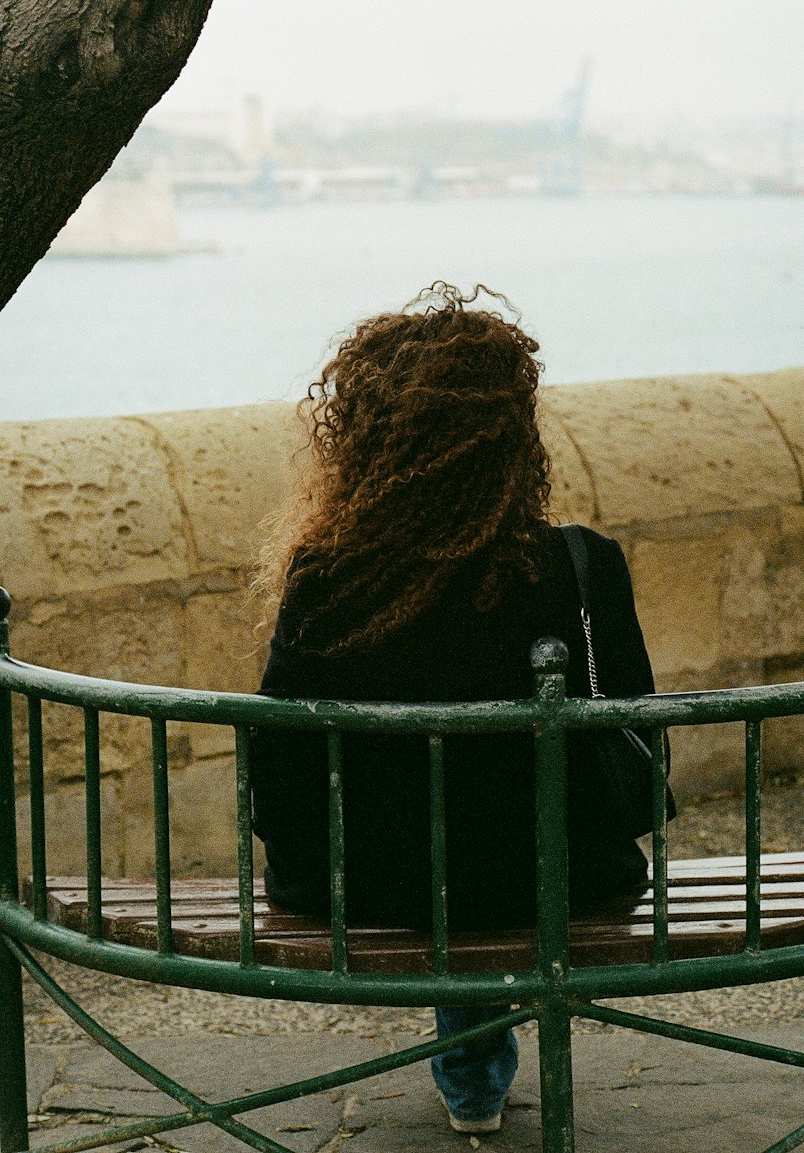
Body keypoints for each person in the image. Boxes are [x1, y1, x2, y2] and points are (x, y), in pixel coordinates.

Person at [250, 282, 661, 1136]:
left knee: (453, 867)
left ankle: (471, 1076)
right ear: (516, 438)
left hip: (364, 886)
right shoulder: (582, 566)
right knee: (494, 861)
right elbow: (643, 757)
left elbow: (277, 780)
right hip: (560, 881)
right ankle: (476, 1076)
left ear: (363, 439)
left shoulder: (325, 580)